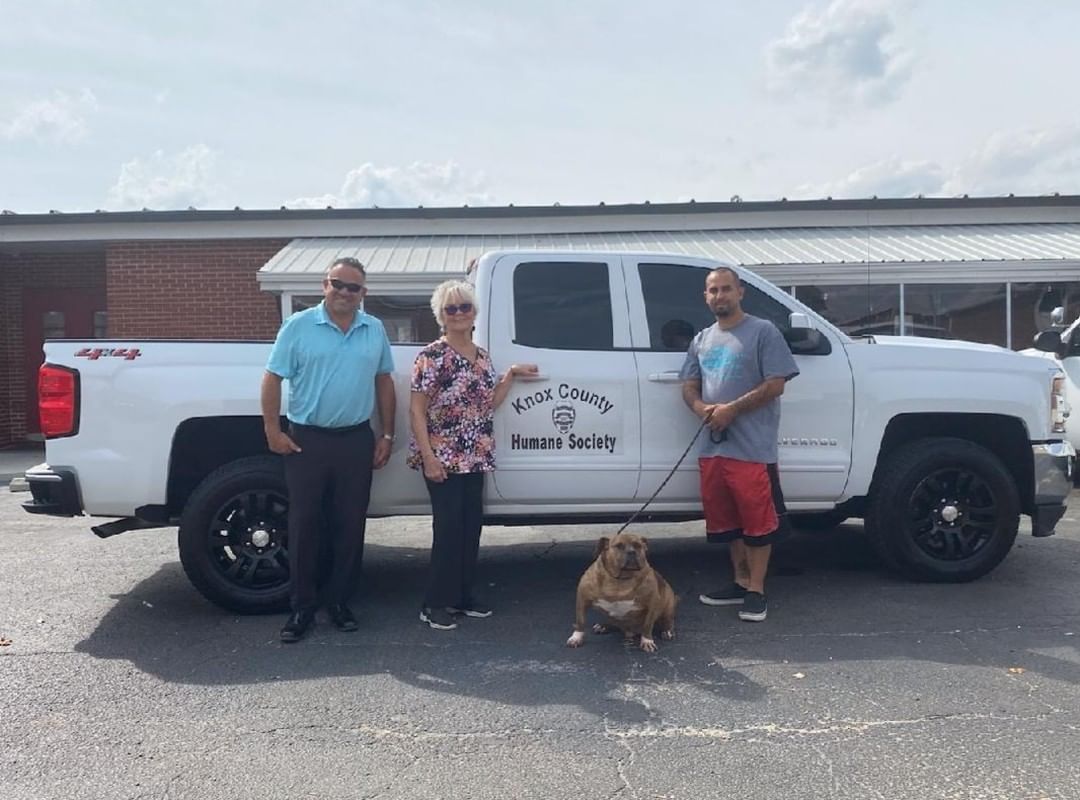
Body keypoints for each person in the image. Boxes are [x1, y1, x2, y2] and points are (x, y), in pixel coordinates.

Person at [261, 256, 396, 643]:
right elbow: (272, 378)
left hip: (356, 439)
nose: (344, 292)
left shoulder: (374, 329)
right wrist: (272, 429)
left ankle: (339, 601)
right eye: (338, 284)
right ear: (325, 285)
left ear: (363, 294)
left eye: (353, 287)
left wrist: (387, 434)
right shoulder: (299, 326)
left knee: (349, 524)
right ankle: (302, 608)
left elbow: (384, 380)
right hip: (308, 440)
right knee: (305, 524)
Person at [408, 279, 537, 631]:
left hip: (475, 456)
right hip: (443, 458)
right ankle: (433, 603)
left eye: (465, 307)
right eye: (451, 309)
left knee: (469, 529)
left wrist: (509, 375)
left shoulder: (482, 358)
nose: (459, 313)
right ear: (441, 316)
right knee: (448, 531)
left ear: (474, 313)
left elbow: (487, 405)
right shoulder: (431, 356)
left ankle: (463, 596)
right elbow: (416, 409)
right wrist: (429, 457)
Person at [680, 267, 799, 622]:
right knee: (728, 522)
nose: (720, 296)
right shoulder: (702, 339)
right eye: (713, 290)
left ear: (740, 292)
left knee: (758, 523)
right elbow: (688, 384)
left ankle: (756, 591)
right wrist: (702, 407)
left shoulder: (763, 332)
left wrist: (732, 410)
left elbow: (776, 384)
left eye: (726, 289)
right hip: (713, 449)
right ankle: (739, 581)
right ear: (706, 297)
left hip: (752, 450)